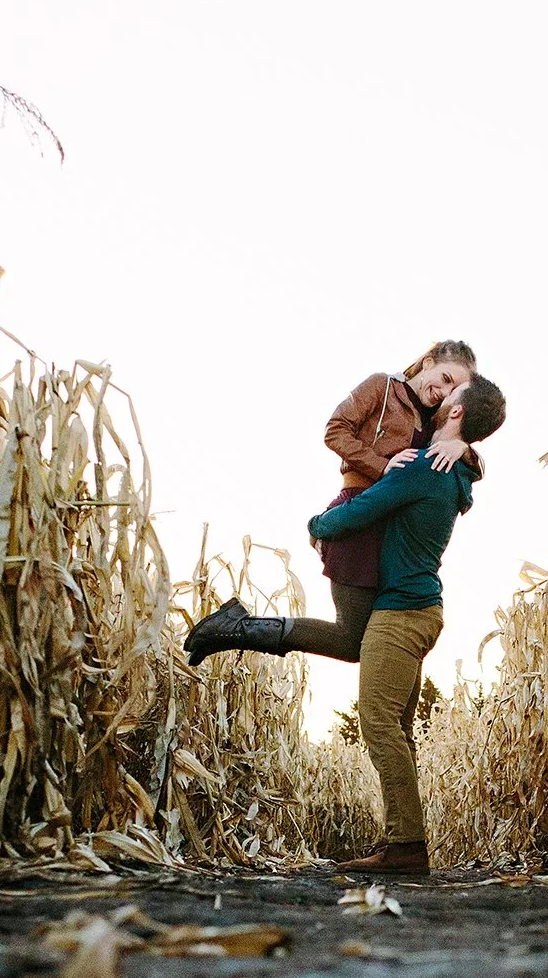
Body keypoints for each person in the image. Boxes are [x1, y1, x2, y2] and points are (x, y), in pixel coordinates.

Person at [187, 374, 508, 875]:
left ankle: (406, 847)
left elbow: (355, 514)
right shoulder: (456, 471)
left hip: (401, 614)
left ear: (457, 413)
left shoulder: (426, 467)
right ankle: (401, 842)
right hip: (420, 611)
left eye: (449, 396)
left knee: (379, 725)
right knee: (396, 727)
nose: (440, 397)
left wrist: (316, 526)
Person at [186, 344, 476, 668]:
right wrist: (382, 466)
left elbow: (467, 448)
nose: (445, 391)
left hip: (391, 534)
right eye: (445, 377)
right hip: (356, 517)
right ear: (428, 362)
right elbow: (335, 429)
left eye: (454, 389)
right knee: (353, 640)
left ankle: (234, 627)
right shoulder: (382, 387)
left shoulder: (435, 420)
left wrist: (462, 446)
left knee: (375, 638)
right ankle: (236, 627)